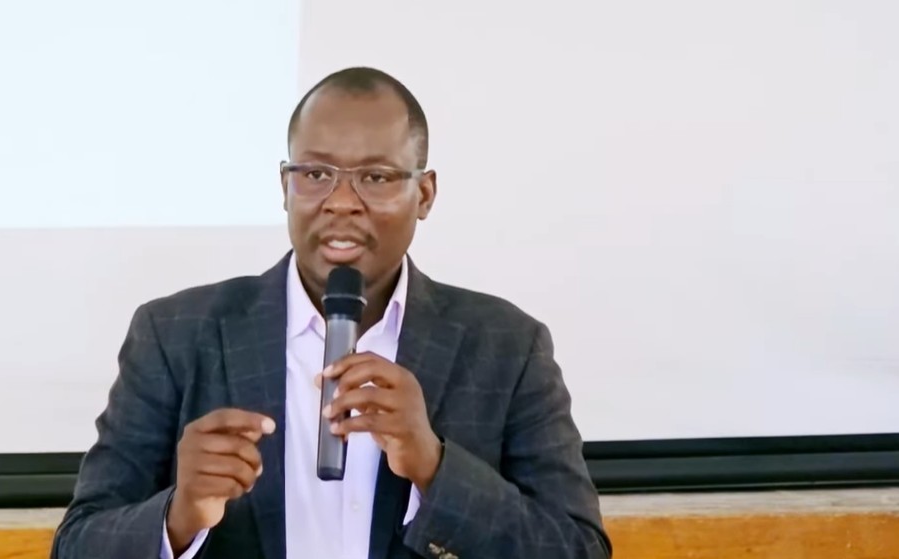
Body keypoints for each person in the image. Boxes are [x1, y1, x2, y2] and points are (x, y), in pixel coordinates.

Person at [50, 66, 611, 559]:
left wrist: (434, 467)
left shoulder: (507, 347)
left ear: (425, 194)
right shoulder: (174, 336)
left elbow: (577, 549)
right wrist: (179, 516)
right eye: (315, 175)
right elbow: (77, 546)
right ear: (285, 187)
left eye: (376, 177)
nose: (341, 202)